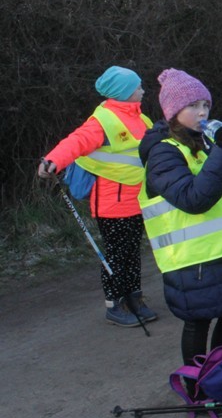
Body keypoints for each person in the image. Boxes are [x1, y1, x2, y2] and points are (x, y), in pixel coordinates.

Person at [138, 69, 222, 365]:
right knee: (199, 321)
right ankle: (196, 387)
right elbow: (194, 200)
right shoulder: (163, 153)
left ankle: (219, 375)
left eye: (205, 104)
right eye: (193, 106)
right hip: (193, 261)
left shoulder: (204, 146)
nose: (202, 112)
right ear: (173, 111)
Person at [38, 66, 156, 327]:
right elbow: (75, 142)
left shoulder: (142, 119)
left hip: (137, 200)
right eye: (138, 87)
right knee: (116, 255)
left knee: (132, 253)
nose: (143, 90)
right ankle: (115, 304)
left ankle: (134, 298)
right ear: (124, 93)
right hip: (112, 203)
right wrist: (52, 161)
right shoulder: (103, 120)